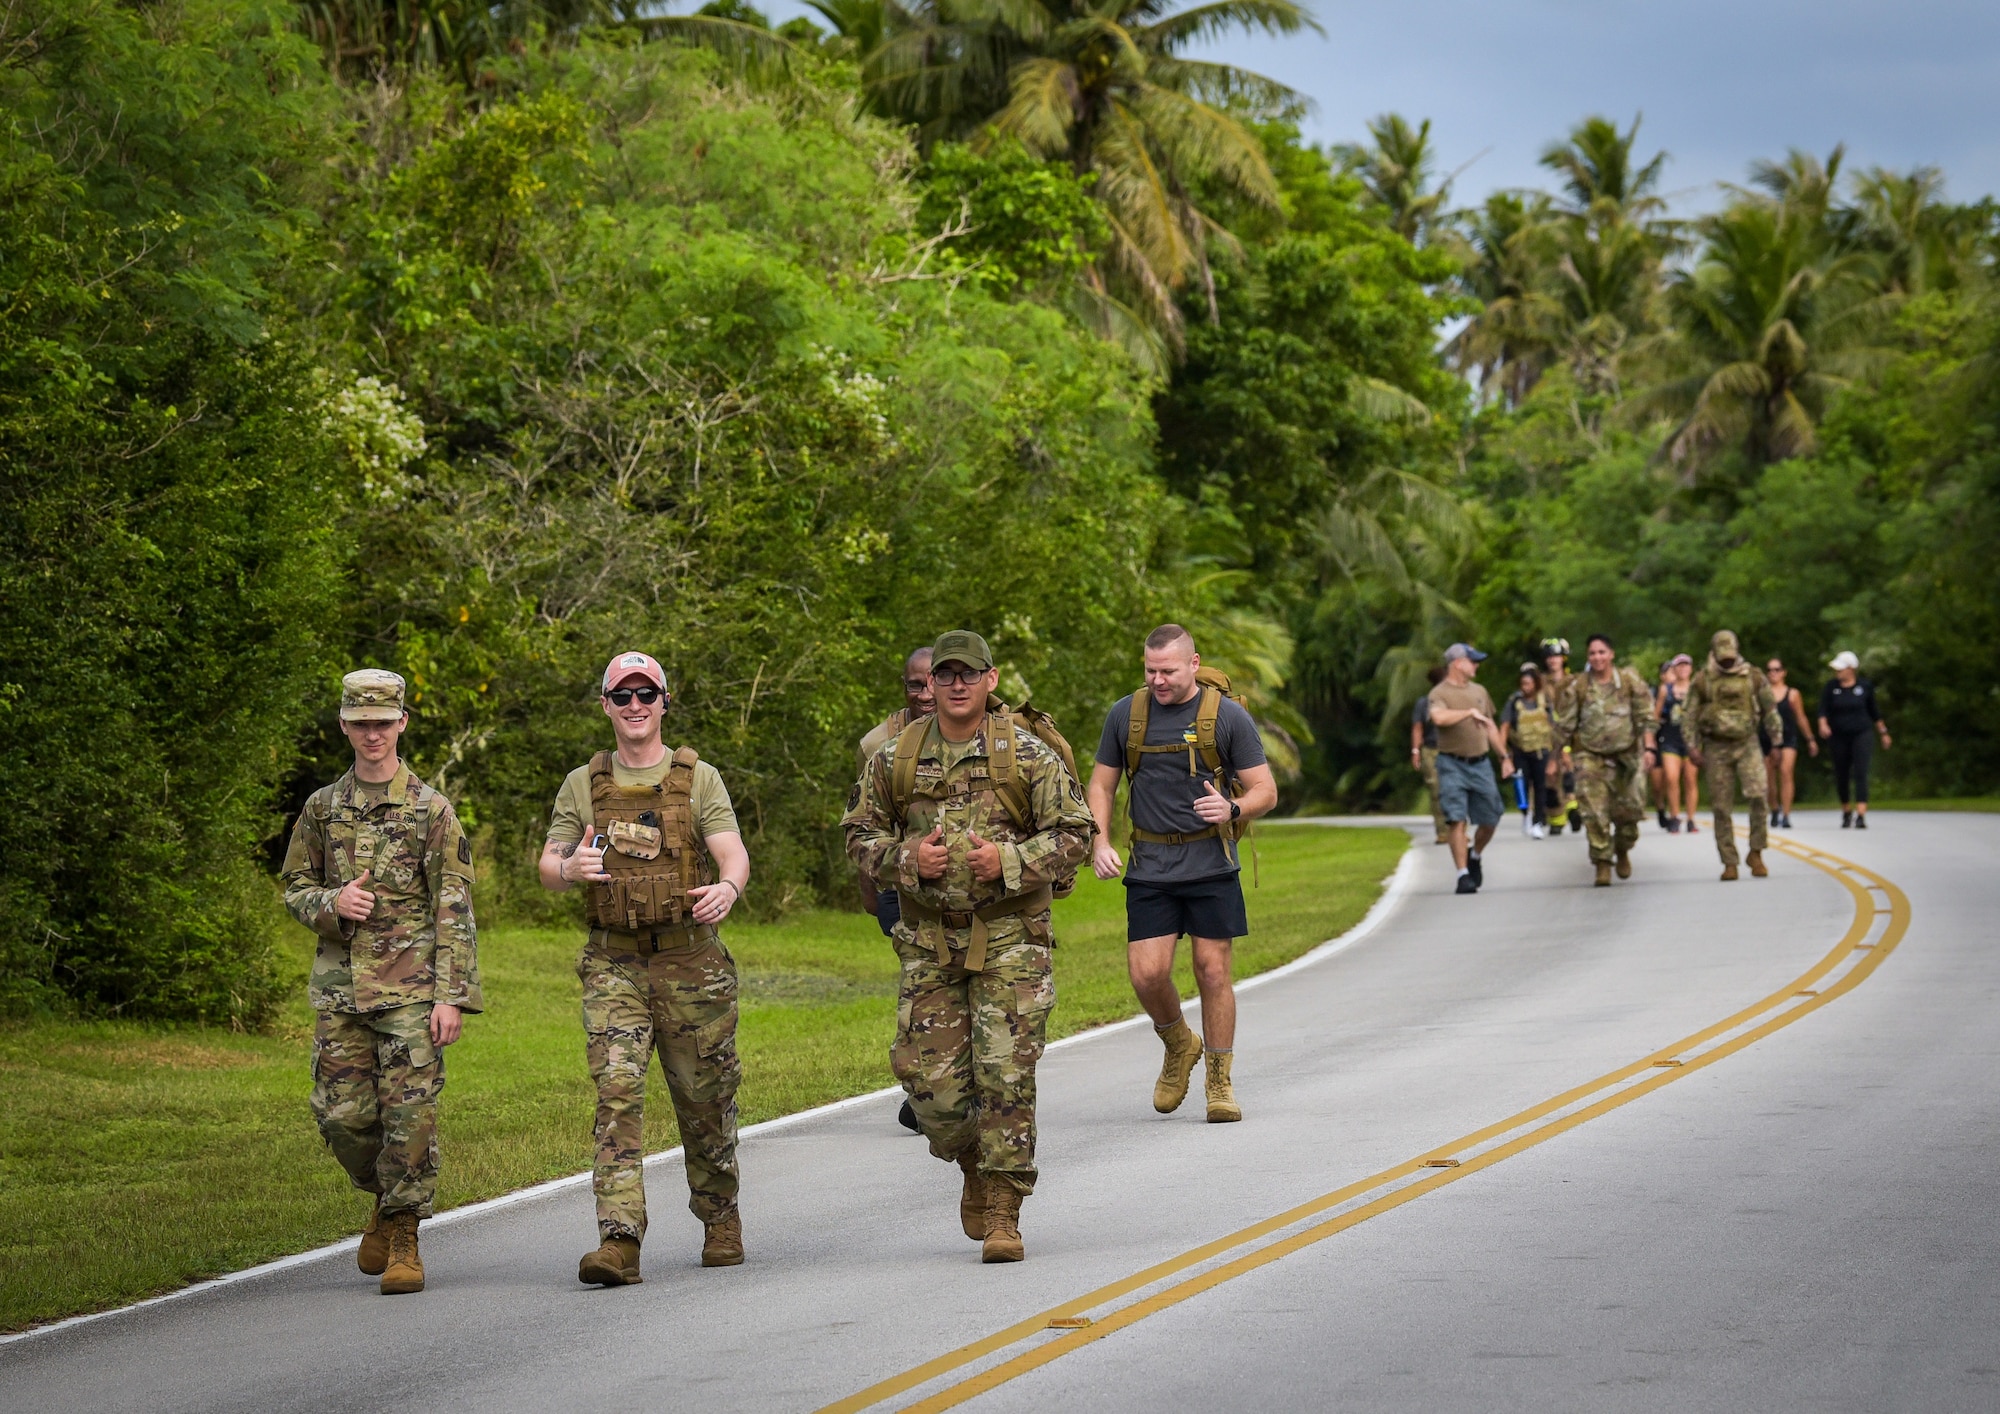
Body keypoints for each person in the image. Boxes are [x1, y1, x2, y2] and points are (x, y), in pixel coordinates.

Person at [843, 631, 1094, 1263]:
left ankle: (1006, 1211)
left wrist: (1009, 859)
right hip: (928, 941)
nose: (955, 684)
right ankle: (971, 1165)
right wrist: (905, 858)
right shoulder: (894, 758)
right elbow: (858, 835)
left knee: (1006, 1076)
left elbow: (1076, 835)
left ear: (991, 679)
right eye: (945, 674)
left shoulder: (1028, 757)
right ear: (933, 684)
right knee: (933, 1093)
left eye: (968, 674)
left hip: (1011, 939)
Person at [539, 651, 752, 1287]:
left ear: (664, 702)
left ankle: (720, 1215)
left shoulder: (698, 779)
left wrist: (729, 890)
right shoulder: (584, 784)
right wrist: (568, 870)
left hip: (692, 962)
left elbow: (731, 853)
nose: (635, 706)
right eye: (622, 696)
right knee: (616, 1094)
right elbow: (549, 865)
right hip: (615, 964)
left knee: (705, 1099)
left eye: (646, 694)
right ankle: (618, 1239)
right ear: (605, 705)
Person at [281, 669, 483, 1297]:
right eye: (360, 723)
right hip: (341, 989)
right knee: (342, 1119)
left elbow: (455, 906)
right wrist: (332, 904)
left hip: (411, 990)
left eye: (383, 722)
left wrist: (452, 996)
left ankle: (403, 1232)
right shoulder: (321, 807)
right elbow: (294, 888)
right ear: (345, 726)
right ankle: (384, 1197)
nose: (373, 733)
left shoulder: (431, 809)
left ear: (401, 724)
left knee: (410, 1115)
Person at [1086, 625, 1280, 1124]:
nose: (1158, 680)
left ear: (1193, 664)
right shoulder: (1125, 715)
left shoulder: (1227, 717)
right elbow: (1102, 786)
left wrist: (1233, 808)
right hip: (1151, 864)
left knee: (1212, 971)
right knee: (1147, 974)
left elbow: (1265, 790)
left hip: (1210, 862)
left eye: (1167, 670)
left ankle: (1220, 1078)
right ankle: (1178, 1043)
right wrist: (1099, 841)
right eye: (1150, 670)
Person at [857, 648, 937, 1136]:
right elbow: (863, 822)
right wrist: (870, 891)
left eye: (934, 682)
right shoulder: (877, 744)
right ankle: (923, 1087)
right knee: (923, 978)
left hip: (964, 886)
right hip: (901, 887)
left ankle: (934, 1087)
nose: (926, 694)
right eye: (915, 685)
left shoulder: (981, 729)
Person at [1553, 634, 1658, 888]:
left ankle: (1622, 849)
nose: (1597, 658)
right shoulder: (1578, 686)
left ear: (1611, 654)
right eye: (1592, 653)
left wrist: (1649, 748)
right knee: (1593, 812)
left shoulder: (1630, 681)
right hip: (1590, 756)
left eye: (1602, 652)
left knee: (1630, 816)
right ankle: (1602, 862)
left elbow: (1646, 717)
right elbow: (1564, 725)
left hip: (1626, 756)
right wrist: (1557, 756)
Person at [1683, 630, 1783, 882]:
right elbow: (1689, 716)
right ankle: (1729, 861)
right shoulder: (1703, 680)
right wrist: (1692, 747)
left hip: (1747, 742)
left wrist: (1777, 741)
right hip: (1716, 747)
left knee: (1759, 796)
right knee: (1721, 806)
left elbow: (1769, 709)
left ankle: (1756, 852)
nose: (1727, 661)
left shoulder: (1754, 677)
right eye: (1722, 657)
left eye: (1730, 656)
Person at [1427, 643, 1516, 895]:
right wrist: (1468, 713)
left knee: (1490, 818)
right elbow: (1438, 718)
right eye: (1472, 661)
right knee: (1456, 818)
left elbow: (1490, 728)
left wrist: (1504, 757)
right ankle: (1463, 875)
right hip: (1451, 763)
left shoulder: (1480, 691)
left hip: (1480, 764)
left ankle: (1475, 855)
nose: (1476, 665)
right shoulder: (1439, 693)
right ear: (1457, 663)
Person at [1818, 650, 1892, 828]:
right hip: (1838, 735)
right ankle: (1846, 810)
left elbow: (1874, 712)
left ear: (1851, 669)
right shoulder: (1831, 687)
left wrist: (1883, 732)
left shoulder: (1864, 687)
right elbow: (1823, 710)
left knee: (1861, 772)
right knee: (1842, 773)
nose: (1838, 672)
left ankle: (1861, 814)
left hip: (1861, 733)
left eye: (1841, 669)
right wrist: (1823, 724)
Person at [1500, 663, 1558, 839]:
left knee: (1541, 787)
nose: (1526, 687)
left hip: (1542, 750)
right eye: (1523, 683)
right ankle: (1526, 814)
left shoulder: (1545, 701)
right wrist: (1503, 754)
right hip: (1520, 751)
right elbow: (1504, 727)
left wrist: (1558, 754)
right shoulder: (1514, 702)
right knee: (1522, 786)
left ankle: (1538, 821)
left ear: (1536, 684)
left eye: (1529, 683)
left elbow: (1555, 726)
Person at [1763, 656, 1817, 828]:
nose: (1773, 673)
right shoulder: (1762, 694)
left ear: (1784, 672)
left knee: (1786, 772)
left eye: (1777, 669)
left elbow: (1800, 717)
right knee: (1768, 777)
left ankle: (1786, 814)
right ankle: (1774, 808)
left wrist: (1810, 739)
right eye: (1770, 670)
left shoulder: (1792, 694)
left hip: (1788, 737)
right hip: (1767, 738)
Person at [1539, 637, 1582, 833]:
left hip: (1572, 735)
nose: (1552, 660)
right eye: (1549, 656)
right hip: (1547, 736)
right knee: (1550, 776)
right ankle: (1556, 819)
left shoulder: (1574, 682)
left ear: (1564, 658)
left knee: (1571, 769)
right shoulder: (1539, 683)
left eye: (1556, 655)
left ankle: (1574, 807)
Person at [1655, 653, 1697, 834]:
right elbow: (1655, 716)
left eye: (1686, 666)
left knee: (1690, 779)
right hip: (1670, 739)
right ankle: (1674, 816)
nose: (1683, 669)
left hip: (1691, 741)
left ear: (1691, 669)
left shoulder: (1696, 689)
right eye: (1679, 666)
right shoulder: (1666, 690)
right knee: (1671, 778)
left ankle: (1691, 818)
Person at [1409, 665, 1450, 844]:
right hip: (1431, 749)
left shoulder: (1453, 700)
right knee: (1436, 790)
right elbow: (1417, 727)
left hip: (1451, 748)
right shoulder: (1424, 703)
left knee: (1456, 790)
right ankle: (1442, 831)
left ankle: (1458, 829)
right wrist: (1416, 750)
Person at [1648, 661, 1673, 830]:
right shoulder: (1655, 693)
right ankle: (1660, 807)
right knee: (1657, 784)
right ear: (1662, 676)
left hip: (1671, 739)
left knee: (1670, 778)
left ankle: (1673, 813)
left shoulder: (1680, 694)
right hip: (1656, 739)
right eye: (1668, 672)